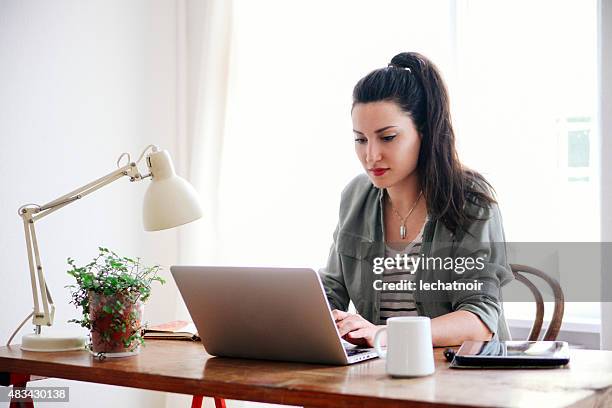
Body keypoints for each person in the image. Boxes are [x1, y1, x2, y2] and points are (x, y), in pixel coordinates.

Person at [319, 52, 514, 348]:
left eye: (387, 137)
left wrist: (384, 335)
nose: (371, 156)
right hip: (381, 377)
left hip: (460, 379)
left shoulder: (471, 200)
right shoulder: (355, 196)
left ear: (424, 132)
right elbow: (332, 290)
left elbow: (479, 320)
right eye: (361, 139)